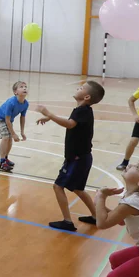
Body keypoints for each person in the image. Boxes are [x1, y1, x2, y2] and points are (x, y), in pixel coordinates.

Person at [34, 81, 105, 232]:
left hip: (77, 159)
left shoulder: (82, 111)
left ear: (86, 96)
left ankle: (67, 221)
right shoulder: (82, 110)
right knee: (79, 189)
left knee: (58, 186)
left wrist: (48, 114)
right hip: (83, 158)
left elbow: (70, 124)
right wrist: (51, 118)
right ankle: (95, 216)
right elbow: (73, 122)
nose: (77, 88)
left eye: (81, 88)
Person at [0, 81, 29, 172]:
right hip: (0, 118)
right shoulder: (11, 102)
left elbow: (22, 117)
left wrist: (22, 132)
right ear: (15, 92)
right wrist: (13, 134)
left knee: (9, 139)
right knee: (6, 137)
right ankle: (2, 162)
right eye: (21, 87)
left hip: (8, 120)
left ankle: (6, 158)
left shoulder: (25, 104)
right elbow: (7, 120)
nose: (24, 88)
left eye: (25, 86)